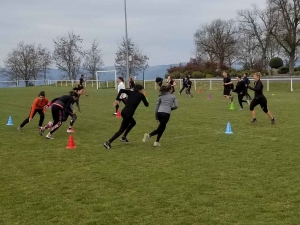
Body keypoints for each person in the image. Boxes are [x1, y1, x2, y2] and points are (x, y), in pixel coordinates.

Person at [103, 84, 149, 149]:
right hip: (128, 114)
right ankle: (108, 142)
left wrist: (117, 99)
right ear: (139, 90)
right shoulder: (141, 95)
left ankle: (124, 137)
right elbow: (147, 105)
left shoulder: (130, 92)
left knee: (133, 123)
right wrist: (145, 99)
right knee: (120, 130)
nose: (142, 91)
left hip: (124, 112)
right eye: (141, 90)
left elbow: (121, 90)